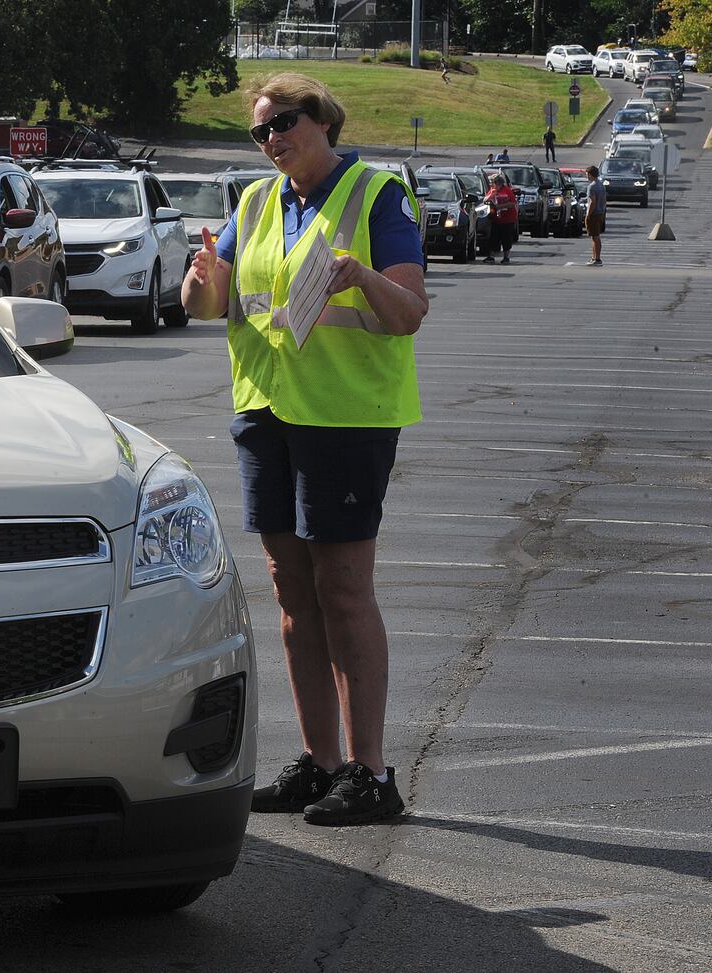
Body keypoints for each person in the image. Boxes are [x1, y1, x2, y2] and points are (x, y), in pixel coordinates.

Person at [181, 73, 427, 827]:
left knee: (345, 591)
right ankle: (322, 764)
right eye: (260, 132)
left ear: (323, 121)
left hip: (346, 419)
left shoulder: (377, 193)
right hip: (266, 414)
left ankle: (373, 773)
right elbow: (205, 308)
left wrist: (358, 276)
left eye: (283, 123)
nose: (272, 140)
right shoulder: (254, 202)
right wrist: (204, 278)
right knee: (293, 593)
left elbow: (409, 311)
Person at [482, 173, 518, 264]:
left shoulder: (507, 191)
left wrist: (500, 206)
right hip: (496, 219)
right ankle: (491, 256)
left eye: (495, 183)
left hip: (508, 219)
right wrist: (491, 195)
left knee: (506, 238)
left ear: (500, 183)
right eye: (493, 184)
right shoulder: (492, 190)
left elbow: (513, 203)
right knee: (493, 238)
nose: (493, 185)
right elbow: (485, 200)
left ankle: (506, 257)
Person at [584, 163, 607, 266]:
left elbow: (592, 201)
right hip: (601, 213)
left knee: (595, 237)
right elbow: (604, 200)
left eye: (587, 174)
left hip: (594, 214)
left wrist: (588, 214)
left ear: (590, 174)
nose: (586, 176)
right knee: (596, 236)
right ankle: (594, 257)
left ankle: (597, 259)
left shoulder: (592, 186)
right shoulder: (601, 185)